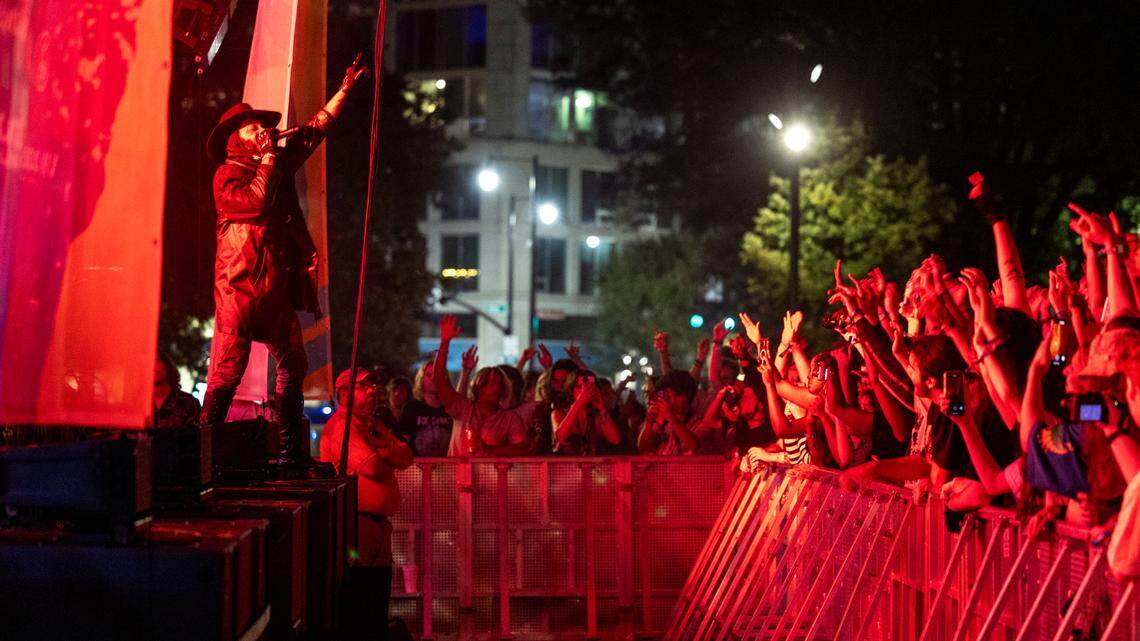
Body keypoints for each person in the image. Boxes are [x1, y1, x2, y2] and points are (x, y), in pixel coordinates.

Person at [198, 57, 367, 473]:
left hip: (273, 290)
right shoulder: (226, 175)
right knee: (227, 373)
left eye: (262, 126)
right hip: (238, 289)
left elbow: (312, 132)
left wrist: (343, 92)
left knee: (294, 364)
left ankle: (292, 453)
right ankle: (201, 456)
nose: (262, 131)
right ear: (235, 140)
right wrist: (270, 160)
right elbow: (255, 203)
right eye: (252, 128)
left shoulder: (274, 164)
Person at [320, 367, 412, 639]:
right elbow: (371, 466)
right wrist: (386, 452)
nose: (373, 391)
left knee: (377, 595)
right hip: (356, 526)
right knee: (360, 597)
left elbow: (406, 456)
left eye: (373, 386)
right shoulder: (342, 427)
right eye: (364, 386)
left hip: (377, 527)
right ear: (344, 394)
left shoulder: (372, 426)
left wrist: (384, 449)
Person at [152, 352, 200, 430]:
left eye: (156, 361)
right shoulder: (141, 406)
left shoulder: (188, 403)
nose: (153, 367)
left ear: (166, 365)